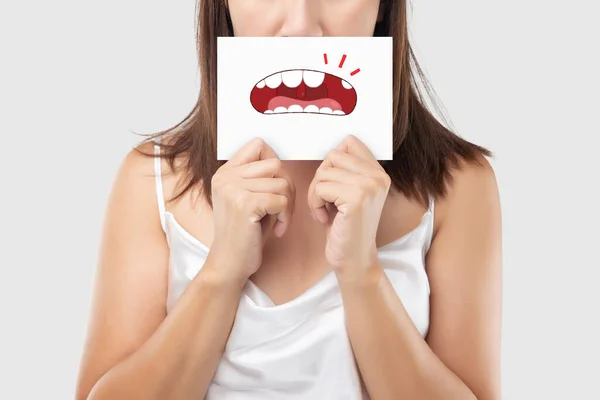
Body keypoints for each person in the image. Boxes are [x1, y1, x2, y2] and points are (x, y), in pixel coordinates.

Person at [76, 0, 502, 399]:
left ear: (383, 6)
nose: (300, 26)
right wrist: (222, 271)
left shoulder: (458, 186)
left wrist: (361, 272)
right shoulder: (151, 180)